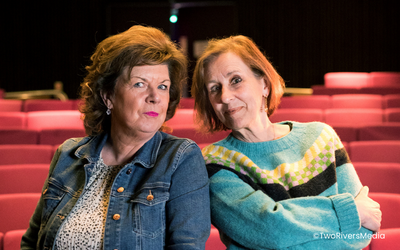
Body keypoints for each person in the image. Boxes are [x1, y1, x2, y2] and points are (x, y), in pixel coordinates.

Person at [21, 25, 210, 250]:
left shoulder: (180, 159)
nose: (154, 97)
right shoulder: (68, 154)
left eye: (162, 87)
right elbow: (32, 241)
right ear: (108, 96)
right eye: (140, 84)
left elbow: (186, 246)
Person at [191, 35, 381, 249]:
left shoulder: (321, 137)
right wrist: (349, 213)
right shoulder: (213, 164)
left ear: (264, 84)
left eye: (236, 80)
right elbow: (270, 229)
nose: (225, 97)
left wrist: (289, 231)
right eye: (215, 88)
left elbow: (364, 230)